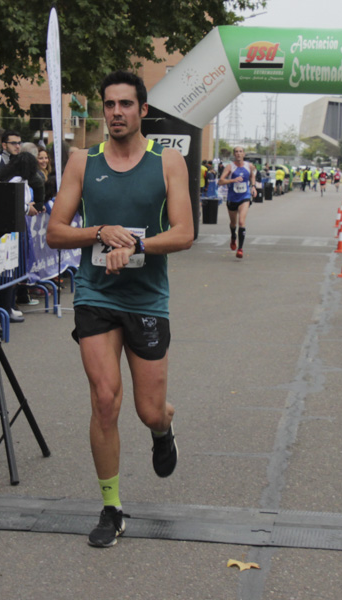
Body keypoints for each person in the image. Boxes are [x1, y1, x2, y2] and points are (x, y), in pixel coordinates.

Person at [46, 70, 192, 548]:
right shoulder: (81, 162)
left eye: (125, 104)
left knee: (148, 410)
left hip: (147, 297)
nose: (116, 113)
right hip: (96, 296)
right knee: (105, 399)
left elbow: (184, 233)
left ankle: (164, 429)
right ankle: (111, 507)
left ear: (142, 110)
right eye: (109, 105)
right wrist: (99, 231)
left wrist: (135, 244)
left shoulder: (168, 161)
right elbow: (55, 232)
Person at [219, 146, 256, 259]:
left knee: (241, 222)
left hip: (244, 196)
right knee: (233, 223)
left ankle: (240, 249)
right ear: (234, 154)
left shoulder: (249, 166)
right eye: (236, 152)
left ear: (244, 154)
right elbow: (220, 181)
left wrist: (253, 186)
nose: (238, 154)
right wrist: (232, 180)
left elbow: (252, 175)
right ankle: (233, 237)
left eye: (240, 152)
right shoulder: (230, 167)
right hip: (232, 198)